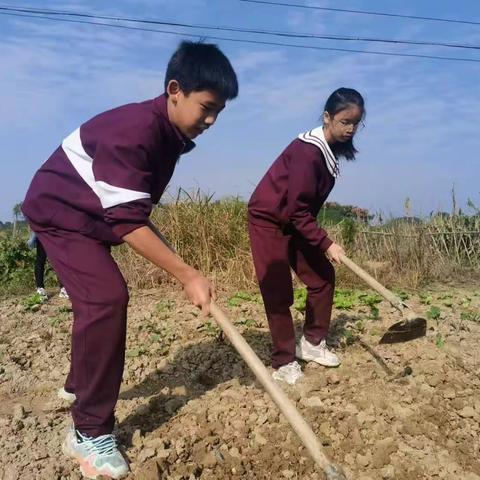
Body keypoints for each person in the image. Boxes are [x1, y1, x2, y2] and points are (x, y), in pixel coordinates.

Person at [22, 41, 238, 479]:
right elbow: (126, 220)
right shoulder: (137, 129)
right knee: (105, 298)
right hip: (61, 211)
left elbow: (131, 209)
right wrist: (187, 273)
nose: (212, 120)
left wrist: (182, 268)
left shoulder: (169, 135)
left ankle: (79, 384)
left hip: (91, 214)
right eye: (207, 107)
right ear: (175, 89)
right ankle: (88, 431)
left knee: (96, 300)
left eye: (220, 111)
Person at [248, 88, 365, 385]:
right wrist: (326, 243)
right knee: (278, 292)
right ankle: (284, 361)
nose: (350, 129)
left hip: (295, 222)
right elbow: (297, 208)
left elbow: (300, 213)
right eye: (344, 121)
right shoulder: (307, 152)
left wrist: (320, 245)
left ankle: (312, 343)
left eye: (356, 123)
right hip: (269, 221)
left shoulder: (326, 152)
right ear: (327, 117)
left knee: (322, 277)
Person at [27, 232, 69, 299]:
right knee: (41, 259)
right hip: (42, 233)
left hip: (55, 232)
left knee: (59, 260)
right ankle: (40, 289)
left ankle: (63, 288)